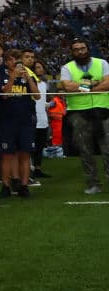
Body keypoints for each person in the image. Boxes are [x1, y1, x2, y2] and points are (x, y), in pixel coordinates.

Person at [59, 38, 109, 194]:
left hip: (104, 110)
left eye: (82, 48)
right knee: (85, 150)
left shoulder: (102, 63)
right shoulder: (67, 67)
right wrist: (93, 83)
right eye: (76, 49)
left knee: (108, 148)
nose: (80, 52)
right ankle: (93, 184)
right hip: (78, 112)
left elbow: (108, 84)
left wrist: (83, 87)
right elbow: (68, 87)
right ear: (72, 52)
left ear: (88, 49)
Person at [0, 49, 39, 198]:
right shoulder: (0, 75)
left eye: (18, 59)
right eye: (12, 59)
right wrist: (12, 77)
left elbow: (37, 95)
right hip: (7, 121)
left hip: (26, 121)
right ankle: (6, 186)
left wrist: (28, 78)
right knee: (6, 155)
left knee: (25, 154)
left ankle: (24, 187)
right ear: (6, 62)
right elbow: (5, 95)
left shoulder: (28, 75)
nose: (16, 62)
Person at [31, 59, 52, 179]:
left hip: (43, 118)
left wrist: (48, 105)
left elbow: (42, 101)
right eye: (37, 67)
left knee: (40, 146)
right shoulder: (30, 83)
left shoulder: (44, 84)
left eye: (41, 67)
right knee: (30, 147)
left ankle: (38, 169)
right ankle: (30, 169)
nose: (40, 69)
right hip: (32, 118)